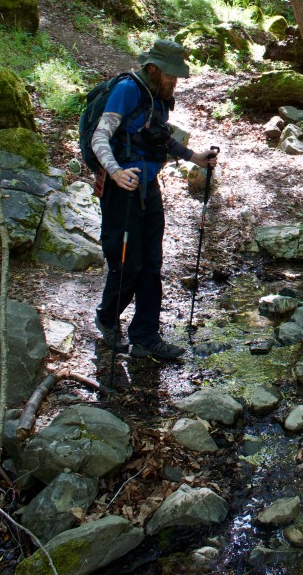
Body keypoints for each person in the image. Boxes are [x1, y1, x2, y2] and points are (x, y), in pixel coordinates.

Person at [91, 38, 216, 360]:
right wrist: (116, 171)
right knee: (127, 265)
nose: (175, 80)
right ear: (152, 68)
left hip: (149, 189)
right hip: (122, 190)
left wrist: (194, 157)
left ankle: (145, 335)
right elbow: (100, 136)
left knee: (151, 264)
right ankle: (107, 318)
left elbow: (159, 136)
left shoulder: (158, 96)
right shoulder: (127, 90)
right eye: (170, 74)